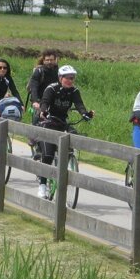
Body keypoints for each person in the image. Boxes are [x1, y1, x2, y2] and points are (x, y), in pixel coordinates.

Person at [36, 65, 94, 199]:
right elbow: (44, 102)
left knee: (74, 137)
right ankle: (42, 186)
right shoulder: (51, 89)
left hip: (62, 122)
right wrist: (43, 111)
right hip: (49, 122)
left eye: (72, 78)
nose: (70, 80)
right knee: (48, 155)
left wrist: (85, 114)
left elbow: (79, 105)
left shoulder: (74, 91)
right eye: (67, 78)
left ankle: (66, 168)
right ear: (60, 78)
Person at [26, 50, 59, 125]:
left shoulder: (58, 71)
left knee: (54, 123)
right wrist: (35, 101)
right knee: (37, 121)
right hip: (39, 100)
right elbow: (33, 86)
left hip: (52, 102)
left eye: (51, 60)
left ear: (55, 60)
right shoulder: (39, 71)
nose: (49, 62)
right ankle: (33, 135)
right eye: (47, 60)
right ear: (43, 61)